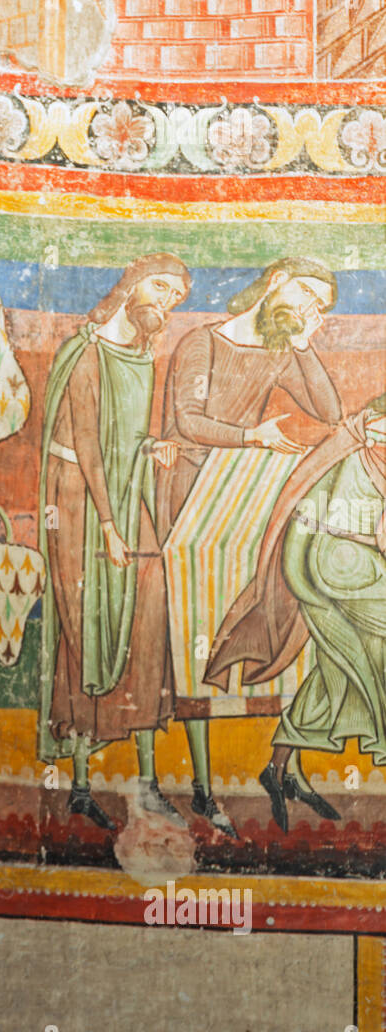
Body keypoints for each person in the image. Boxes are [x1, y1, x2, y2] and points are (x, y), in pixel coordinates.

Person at [159, 257, 342, 836]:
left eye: (322, 306)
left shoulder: (281, 349)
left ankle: (284, 763)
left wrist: (307, 345)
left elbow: (332, 414)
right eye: (307, 295)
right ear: (276, 281)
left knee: (283, 588)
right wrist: (252, 436)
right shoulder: (202, 341)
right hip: (189, 489)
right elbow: (187, 421)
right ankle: (204, 787)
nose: (312, 309)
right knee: (196, 618)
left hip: (242, 490)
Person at [38, 254, 190, 830]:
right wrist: (108, 527)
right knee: (87, 625)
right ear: (131, 285)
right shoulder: (86, 355)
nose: (167, 301)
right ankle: (79, 780)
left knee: (149, 618)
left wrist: (151, 448)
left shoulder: (143, 355)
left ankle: (146, 779)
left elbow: (126, 440)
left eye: (176, 295)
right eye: (160, 287)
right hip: (80, 504)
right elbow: (87, 443)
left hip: (127, 495)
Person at [205, 397, 386, 831]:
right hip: (341, 561)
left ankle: (278, 765)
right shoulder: (365, 449)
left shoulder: (366, 447)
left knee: (338, 666)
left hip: (342, 559)